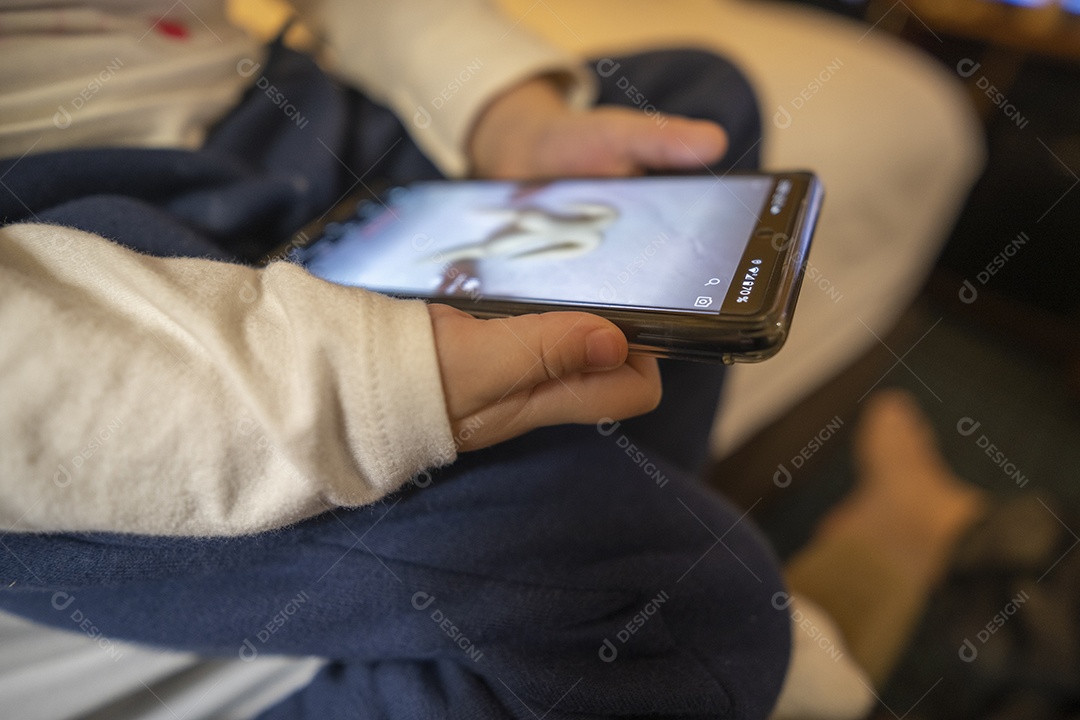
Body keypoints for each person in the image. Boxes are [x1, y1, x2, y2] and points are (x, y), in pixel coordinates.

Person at [0, 0, 803, 718]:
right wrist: (369, 385)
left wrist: (503, 111)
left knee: (693, 115)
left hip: (281, 114)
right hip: (89, 315)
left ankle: (570, 526)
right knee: (682, 616)